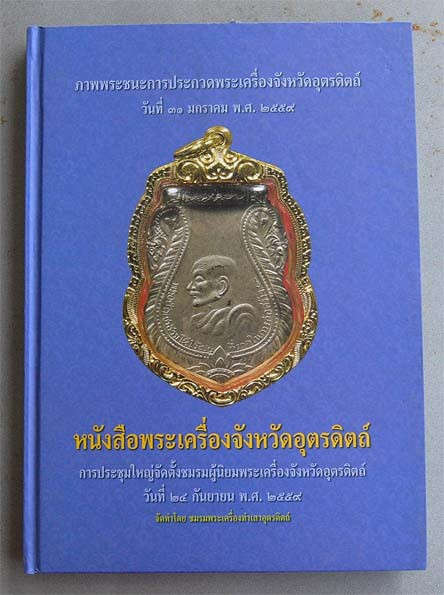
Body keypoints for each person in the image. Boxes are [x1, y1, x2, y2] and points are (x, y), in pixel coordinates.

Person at [186, 255, 257, 339]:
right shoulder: (199, 319)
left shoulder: (242, 319)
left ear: (222, 286)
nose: (189, 287)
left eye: (198, 280)